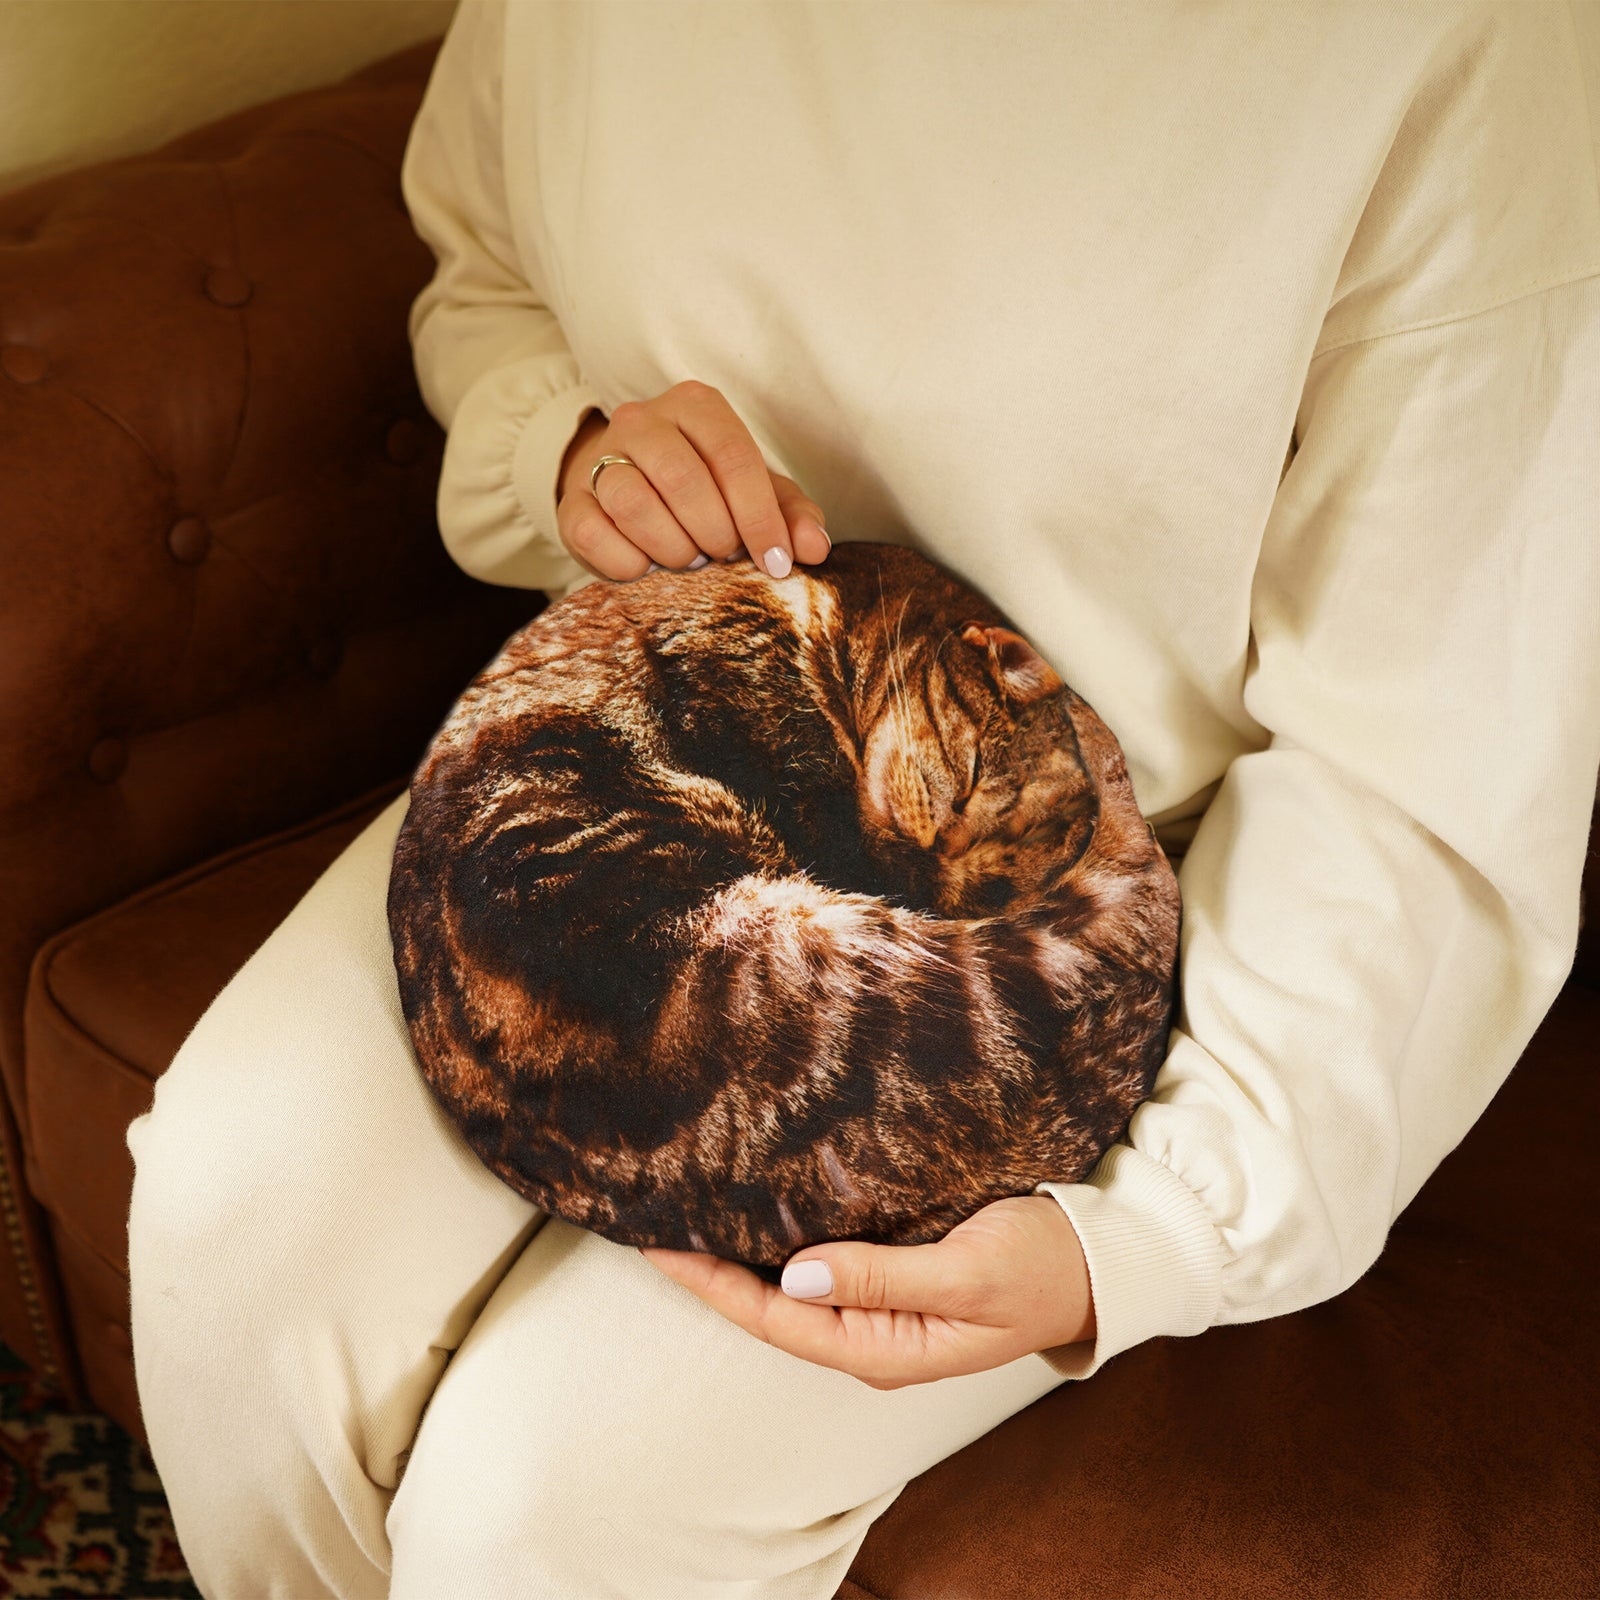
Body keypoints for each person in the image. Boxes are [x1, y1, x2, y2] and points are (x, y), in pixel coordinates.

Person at [125, 2, 1600, 1595]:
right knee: (229, 1217)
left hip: (1102, 894)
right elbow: (485, 270)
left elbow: (1424, 755)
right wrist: (571, 449)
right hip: (641, 733)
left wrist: (1169, 1219)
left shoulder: (1460, 47)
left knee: (541, 1508)